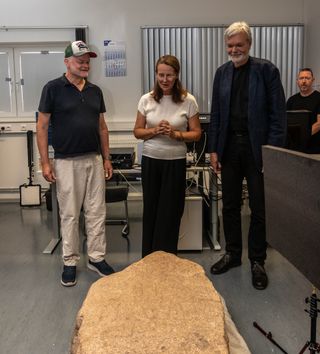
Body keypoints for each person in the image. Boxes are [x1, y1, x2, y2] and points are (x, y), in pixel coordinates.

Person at [208, 22, 287, 290]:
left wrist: (272, 152)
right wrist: (214, 149)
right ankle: (232, 254)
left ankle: (257, 260)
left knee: (258, 208)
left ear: (249, 44)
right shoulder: (221, 73)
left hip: (257, 149)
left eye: (239, 45)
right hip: (230, 148)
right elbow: (216, 114)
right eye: (230, 45)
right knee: (229, 204)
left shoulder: (267, 70)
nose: (234, 50)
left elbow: (278, 115)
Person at [37, 40, 115, 287]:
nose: (85, 64)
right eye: (80, 60)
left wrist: (107, 158)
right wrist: (45, 162)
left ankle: (96, 257)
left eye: (87, 61)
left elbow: (102, 127)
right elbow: (41, 126)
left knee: (96, 212)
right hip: (66, 161)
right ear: (67, 62)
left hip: (93, 159)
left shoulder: (95, 91)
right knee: (70, 214)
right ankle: (70, 261)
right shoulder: (52, 89)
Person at [133, 55, 201, 257]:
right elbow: (137, 131)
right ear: (156, 75)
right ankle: (149, 259)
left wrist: (176, 134)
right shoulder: (146, 99)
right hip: (151, 161)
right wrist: (155, 131)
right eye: (161, 75)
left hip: (175, 162)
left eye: (169, 75)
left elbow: (196, 133)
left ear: (176, 75)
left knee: (170, 213)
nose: (164, 79)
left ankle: (167, 260)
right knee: (151, 211)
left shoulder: (188, 101)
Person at [286, 68, 320, 153]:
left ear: (313, 80)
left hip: (314, 148)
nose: (304, 81)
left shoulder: (319, 98)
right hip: (294, 148)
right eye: (301, 78)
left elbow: (319, 124)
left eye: (307, 78)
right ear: (297, 81)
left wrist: (303, 137)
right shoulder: (291, 100)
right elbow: (286, 121)